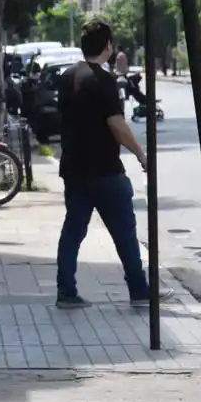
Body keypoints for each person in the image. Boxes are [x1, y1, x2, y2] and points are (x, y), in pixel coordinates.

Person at [56, 18, 149, 309]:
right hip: (105, 170)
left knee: (72, 232)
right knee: (125, 234)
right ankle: (139, 291)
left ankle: (66, 291)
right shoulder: (104, 79)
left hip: (74, 168)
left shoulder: (68, 76)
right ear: (108, 46)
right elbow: (116, 123)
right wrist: (140, 153)